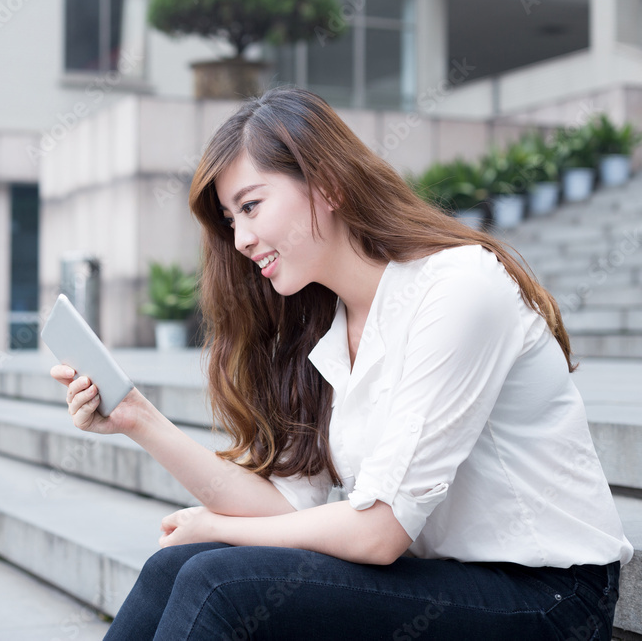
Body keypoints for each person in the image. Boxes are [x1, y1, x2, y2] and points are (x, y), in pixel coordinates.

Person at [49, 86, 633, 640]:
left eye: (251, 206)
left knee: (216, 580)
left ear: (325, 185)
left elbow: (379, 531)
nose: (243, 239)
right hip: (440, 580)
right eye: (231, 222)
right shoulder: (327, 331)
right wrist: (137, 418)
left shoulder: (457, 288)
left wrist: (219, 529)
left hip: (548, 599)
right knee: (176, 566)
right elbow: (287, 507)